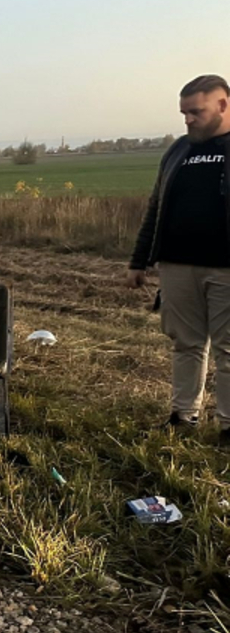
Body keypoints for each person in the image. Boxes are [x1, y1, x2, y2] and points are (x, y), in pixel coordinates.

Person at [127, 74, 230, 438]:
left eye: (195, 112)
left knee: (227, 350)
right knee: (185, 344)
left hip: (226, 270)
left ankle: (228, 427)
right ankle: (183, 418)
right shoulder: (178, 151)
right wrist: (139, 261)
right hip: (176, 266)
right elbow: (156, 208)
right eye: (184, 113)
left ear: (222, 105)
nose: (187, 120)